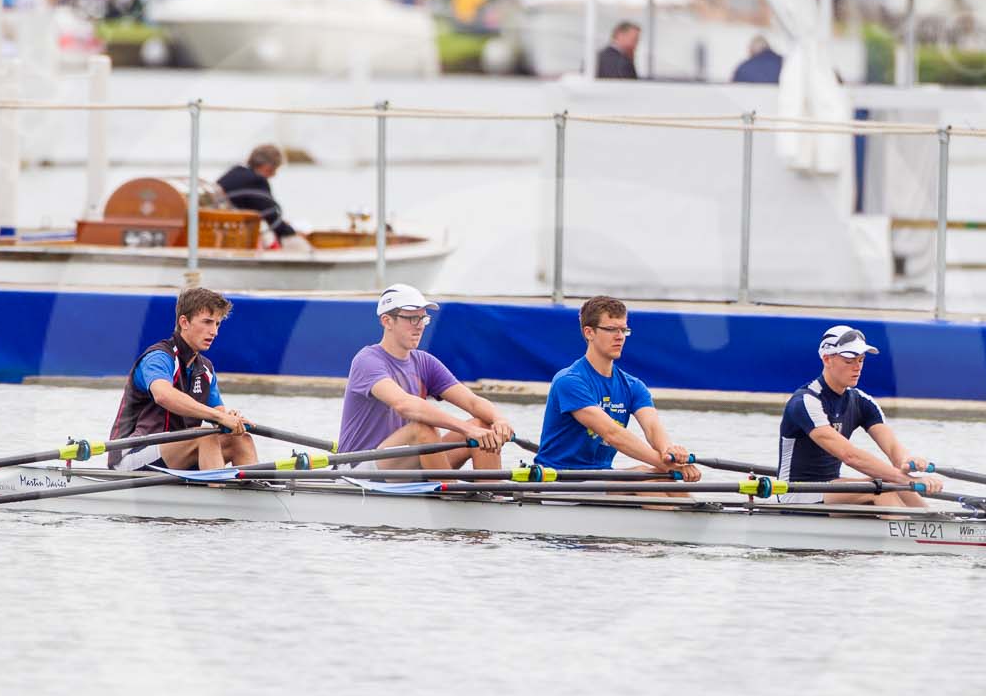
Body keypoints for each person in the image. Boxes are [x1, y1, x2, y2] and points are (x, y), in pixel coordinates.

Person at [337, 284, 515, 469]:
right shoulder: (367, 361)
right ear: (387, 321)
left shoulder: (425, 362)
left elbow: (472, 402)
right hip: (361, 468)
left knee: (482, 424)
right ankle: (448, 491)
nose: (420, 326)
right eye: (413, 318)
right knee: (421, 427)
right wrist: (465, 428)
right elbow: (404, 405)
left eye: (423, 318)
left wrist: (499, 419)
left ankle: (492, 494)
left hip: (407, 460)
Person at [534, 296, 701, 480]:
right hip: (558, 480)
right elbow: (612, 434)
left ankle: (694, 509)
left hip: (599, 478)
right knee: (648, 479)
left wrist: (670, 454)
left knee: (663, 478)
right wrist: (666, 465)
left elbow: (653, 429)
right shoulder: (570, 381)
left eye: (624, 330)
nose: (620, 337)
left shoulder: (633, 386)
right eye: (611, 329)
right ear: (589, 332)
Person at [776, 326, 939, 508]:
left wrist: (908, 462)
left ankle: (934, 524)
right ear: (827, 359)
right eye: (849, 361)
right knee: (883, 487)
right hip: (796, 493)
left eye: (861, 360)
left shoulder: (862, 401)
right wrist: (903, 478)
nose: (857, 367)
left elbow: (893, 448)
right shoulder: (806, 401)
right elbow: (850, 456)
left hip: (831, 488)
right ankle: (915, 531)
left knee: (889, 481)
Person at [105, 286, 258, 473]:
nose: (214, 332)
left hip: (177, 452)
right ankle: (218, 495)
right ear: (184, 322)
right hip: (131, 454)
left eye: (217, 324)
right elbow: (163, 396)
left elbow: (218, 415)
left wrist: (231, 419)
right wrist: (219, 417)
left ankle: (252, 492)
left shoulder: (205, 369)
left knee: (241, 439)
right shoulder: (158, 357)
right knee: (205, 437)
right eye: (208, 322)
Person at [216, 144, 312, 250]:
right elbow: (273, 220)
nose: (274, 175)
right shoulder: (257, 181)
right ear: (268, 167)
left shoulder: (234, 172)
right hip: (236, 236)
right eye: (275, 170)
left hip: (219, 231)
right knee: (299, 245)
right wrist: (295, 234)